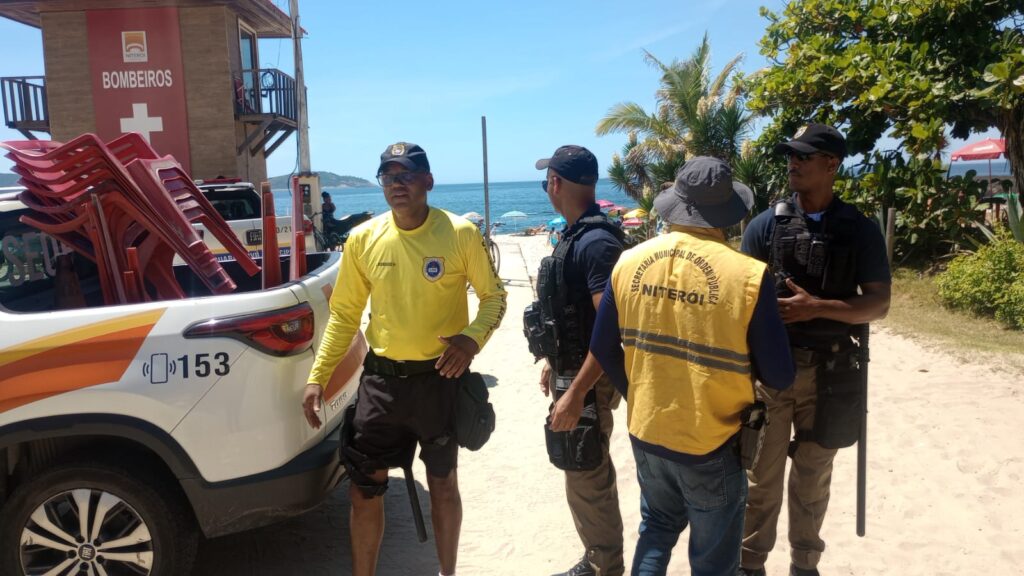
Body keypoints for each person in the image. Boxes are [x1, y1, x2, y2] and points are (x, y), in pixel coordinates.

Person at [563, 156, 795, 576]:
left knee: (657, 527)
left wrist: (636, 393)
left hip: (648, 430)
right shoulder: (747, 275)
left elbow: (603, 346)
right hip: (713, 438)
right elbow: (780, 375)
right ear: (726, 211)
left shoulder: (629, 262)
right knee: (713, 560)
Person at [301, 142, 507, 576]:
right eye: (389, 177)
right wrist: (318, 376)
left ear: (428, 181)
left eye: (407, 175)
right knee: (364, 490)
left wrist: (470, 341)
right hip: (382, 383)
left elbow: (494, 297)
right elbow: (344, 315)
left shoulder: (460, 233)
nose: (397, 184)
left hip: (439, 381)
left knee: (443, 485)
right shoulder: (363, 239)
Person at [738, 124, 891, 576]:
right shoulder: (765, 226)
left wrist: (816, 308)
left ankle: (804, 564)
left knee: (813, 476)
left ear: (832, 164)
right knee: (760, 477)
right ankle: (750, 564)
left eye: (804, 156)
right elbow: (740, 300)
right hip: (771, 372)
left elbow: (879, 304)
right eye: (791, 155)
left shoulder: (858, 230)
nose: (793, 163)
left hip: (831, 372)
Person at [526, 145, 626, 576]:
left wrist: (578, 392)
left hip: (589, 379)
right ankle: (597, 557)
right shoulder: (575, 235)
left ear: (555, 183)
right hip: (573, 370)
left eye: (546, 179)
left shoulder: (596, 242)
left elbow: (612, 329)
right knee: (577, 464)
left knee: (586, 467)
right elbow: (575, 314)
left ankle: (606, 565)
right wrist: (554, 360)